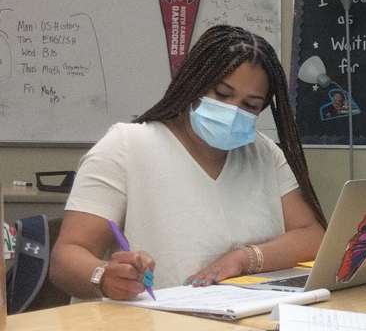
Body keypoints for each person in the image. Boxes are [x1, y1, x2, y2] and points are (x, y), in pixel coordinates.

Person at [50, 25, 327, 301]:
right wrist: (103, 275)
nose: (233, 112)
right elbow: (65, 259)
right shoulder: (127, 145)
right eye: (222, 94)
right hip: (150, 328)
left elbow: (312, 236)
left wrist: (245, 258)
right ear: (194, 83)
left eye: (250, 105)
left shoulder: (263, 152)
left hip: (242, 322)